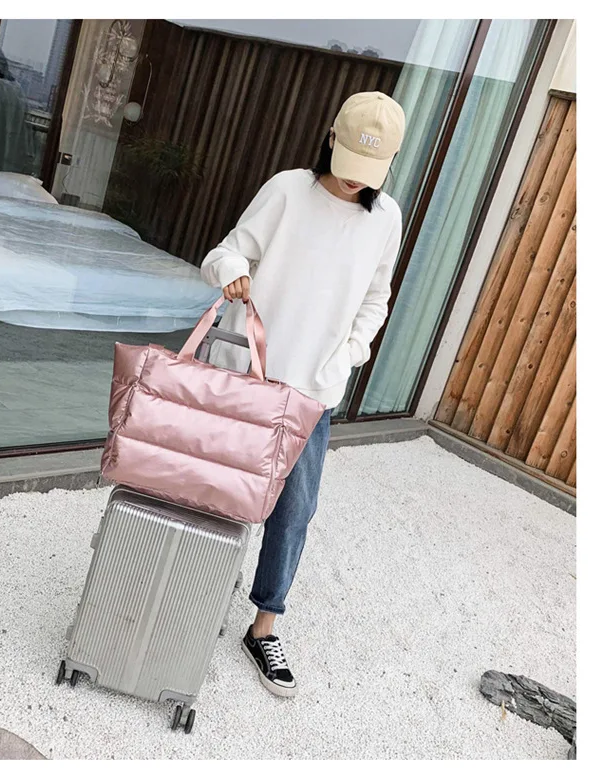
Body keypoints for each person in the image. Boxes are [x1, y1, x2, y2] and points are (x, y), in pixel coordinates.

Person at [200, 92, 406, 697]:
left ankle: (264, 625)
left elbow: (376, 299)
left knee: (294, 511)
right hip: (246, 373)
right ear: (330, 138)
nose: (353, 180)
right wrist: (232, 271)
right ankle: (197, 588)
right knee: (214, 486)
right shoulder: (288, 190)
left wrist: (351, 354)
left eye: (369, 171)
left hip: (314, 389)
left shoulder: (385, 218)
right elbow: (224, 252)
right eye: (347, 160)